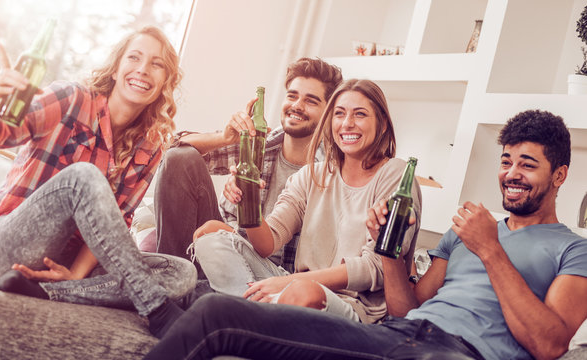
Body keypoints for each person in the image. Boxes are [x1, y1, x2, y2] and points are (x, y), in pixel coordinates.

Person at [144, 109, 587, 359]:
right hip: (398, 336)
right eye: (506, 161)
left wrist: (491, 250)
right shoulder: (463, 234)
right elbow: (405, 307)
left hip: (460, 355)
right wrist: (390, 255)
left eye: (527, 165)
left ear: (560, 175)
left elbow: (550, 344)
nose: (511, 174)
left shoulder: (572, 250)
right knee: (216, 313)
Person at [0, 26, 196, 339]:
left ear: (165, 82)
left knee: (181, 273)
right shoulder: (71, 99)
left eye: (157, 64)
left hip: (60, 263)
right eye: (135, 57)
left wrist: (74, 275)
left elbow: (116, 222)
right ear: (116, 69)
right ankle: (154, 305)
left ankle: (52, 291)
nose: (143, 69)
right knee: (83, 176)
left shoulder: (152, 144)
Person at [192, 79, 422, 324]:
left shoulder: (395, 175)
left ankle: (245, 316)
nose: (347, 123)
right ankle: (255, 316)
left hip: (351, 306)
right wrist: (247, 202)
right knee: (210, 233)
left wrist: (290, 282)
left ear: (383, 124)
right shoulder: (311, 174)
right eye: (339, 114)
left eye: (360, 114)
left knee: (303, 292)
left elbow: (373, 267)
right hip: (293, 288)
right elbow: (268, 243)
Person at [153, 57, 343, 277]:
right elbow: (171, 150)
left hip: (267, 270)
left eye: (311, 101)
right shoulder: (260, 144)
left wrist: (232, 234)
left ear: (328, 113)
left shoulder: (330, 175)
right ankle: (172, 279)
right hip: (220, 244)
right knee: (180, 158)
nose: (297, 106)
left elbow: (287, 252)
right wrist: (225, 138)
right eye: (292, 96)